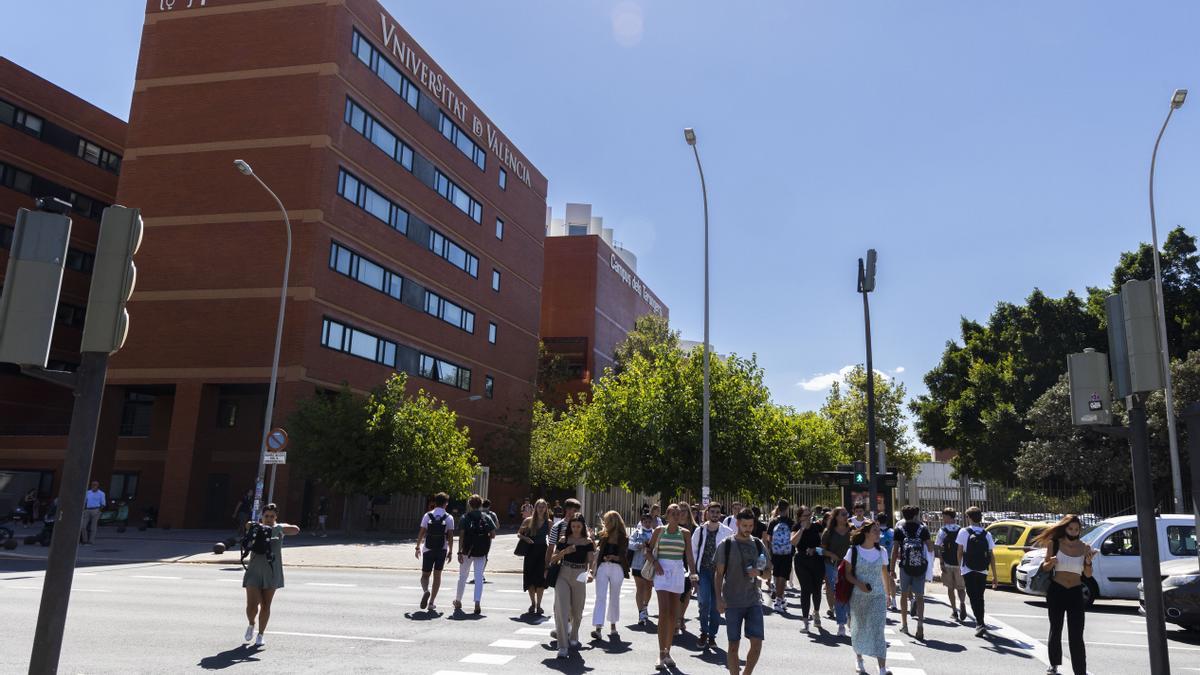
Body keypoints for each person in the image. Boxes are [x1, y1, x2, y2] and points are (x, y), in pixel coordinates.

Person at [1033, 515, 1096, 675]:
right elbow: (1046, 568)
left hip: (1075, 592)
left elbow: (1088, 575)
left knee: (1076, 634)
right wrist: (1051, 562)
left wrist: (1088, 562)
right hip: (1057, 591)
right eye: (1070, 528)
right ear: (1064, 528)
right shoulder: (1054, 544)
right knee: (1056, 628)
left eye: (1076, 529)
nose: (1073, 532)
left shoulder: (1085, 547)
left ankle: (1080, 670)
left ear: (1079, 530)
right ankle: (1054, 664)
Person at [715, 508, 770, 675]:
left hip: (753, 600)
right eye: (744, 525)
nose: (747, 529)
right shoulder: (727, 544)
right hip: (732, 601)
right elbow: (718, 575)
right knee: (733, 645)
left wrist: (758, 573)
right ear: (737, 524)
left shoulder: (759, 544)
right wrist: (719, 599)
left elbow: (768, 573)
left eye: (750, 525)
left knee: (757, 643)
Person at [644, 503, 698, 670]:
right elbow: (647, 550)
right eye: (673, 513)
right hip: (661, 571)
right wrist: (655, 562)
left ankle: (668, 652)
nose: (677, 515)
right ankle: (661, 653)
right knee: (664, 612)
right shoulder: (659, 531)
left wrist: (694, 574)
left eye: (679, 513)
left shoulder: (686, 533)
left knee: (674, 615)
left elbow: (689, 555)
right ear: (667, 515)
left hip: (677, 572)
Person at [241, 503, 299, 647]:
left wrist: (278, 527)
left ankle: (261, 634)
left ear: (276, 517)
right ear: (262, 516)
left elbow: (296, 530)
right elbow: (247, 524)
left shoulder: (279, 529)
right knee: (251, 605)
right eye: (266, 516)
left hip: (272, 572)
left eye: (272, 516)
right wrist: (256, 525)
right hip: (254, 570)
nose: (268, 518)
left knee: (266, 605)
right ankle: (251, 624)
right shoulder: (256, 527)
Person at [845, 521, 892, 675]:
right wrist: (859, 584)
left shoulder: (882, 551)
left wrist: (888, 594)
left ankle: (882, 668)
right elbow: (847, 574)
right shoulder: (854, 551)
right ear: (866, 533)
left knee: (878, 630)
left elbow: (885, 574)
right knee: (859, 628)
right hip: (859, 596)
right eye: (875, 530)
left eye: (879, 530)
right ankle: (859, 659)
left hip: (878, 596)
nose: (878, 533)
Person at [549, 514, 595, 658]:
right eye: (573, 526)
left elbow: (591, 561)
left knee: (577, 610)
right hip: (563, 573)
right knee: (561, 609)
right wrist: (564, 552)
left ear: (583, 527)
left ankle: (574, 634)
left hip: (580, 574)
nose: (575, 529)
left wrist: (591, 573)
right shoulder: (564, 539)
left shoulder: (587, 542)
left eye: (578, 526)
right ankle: (562, 645)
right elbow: (553, 559)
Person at [692, 501, 734, 648]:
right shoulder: (700, 531)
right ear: (707, 513)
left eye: (717, 512)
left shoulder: (728, 532)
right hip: (703, 571)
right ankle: (703, 632)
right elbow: (693, 552)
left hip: (719, 573)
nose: (715, 514)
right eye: (712, 512)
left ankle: (712, 636)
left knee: (716, 605)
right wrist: (693, 574)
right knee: (704, 603)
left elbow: (731, 554)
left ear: (720, 514)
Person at [891, 505, 932, 641]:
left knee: (903, 594)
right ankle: (920, 623)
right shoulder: (923, 529)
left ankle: (905, 625)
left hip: (904, 566)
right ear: (915, 515)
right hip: (919, 566)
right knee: (920, 596)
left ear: (903, 515)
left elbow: (895, 550)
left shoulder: (899, 529)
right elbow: (930, 547)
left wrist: (892, 569)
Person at [956, 505, 998, 637]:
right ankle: (981, 622)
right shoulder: (987, 534)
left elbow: (959, 552)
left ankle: (980, 623)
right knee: (980, 596)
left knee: (972, 596)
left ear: (969, 518)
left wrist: (959, 567)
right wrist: (995, 575)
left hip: (968, 569)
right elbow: (991, 555)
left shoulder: (964, 531)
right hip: (982, 569)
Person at [591, 510, 630, 639]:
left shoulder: (623, 537)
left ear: (613, 522)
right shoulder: (603, 535)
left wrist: (615, 557)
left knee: (614, 597)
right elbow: (597, 552)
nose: (604, 523)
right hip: (603, 567)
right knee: (600, 597)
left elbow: (624, 557)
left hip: (617, 568)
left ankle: (613, 626)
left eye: (607, 521)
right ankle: (598, 627)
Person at [454, 494, 496, 615]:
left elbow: (461, 536)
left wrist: (459, 551)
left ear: (469, 504)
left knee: (463, 576)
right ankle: (477, 603)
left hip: (467, 551)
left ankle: (458, 600)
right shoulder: (486, 517)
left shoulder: (465, 517)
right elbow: (493, 534)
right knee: (478, 577)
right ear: (481, 504)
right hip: (481, 552)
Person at [547, 498, 582, 641]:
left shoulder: (581, 526)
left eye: (576, 510)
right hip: (561, 566)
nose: (573, 513)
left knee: (576, 603)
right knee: (560, 601)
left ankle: (572, 629)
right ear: (566, 510)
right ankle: (562, 628)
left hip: (577, 568)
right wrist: (547, 565)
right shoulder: (558, 526)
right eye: (571, 510)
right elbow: (551, 547)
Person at [415, 492, 454, 612]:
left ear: (435, 502)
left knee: (425, 575)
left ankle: (426, 591)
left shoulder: (427, 515)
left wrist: (417, 547)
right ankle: (431, 602)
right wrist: (450, 551)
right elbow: (450, 536)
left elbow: (422, 532)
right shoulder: (449, 517)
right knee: (437, 576)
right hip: (441, 549)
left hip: (428, 548)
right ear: (446, 504)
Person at [792, 504, 824, 633]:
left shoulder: (817, 526)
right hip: (802, 561)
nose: (808, 517)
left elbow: (824, 544)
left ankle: (816, 612)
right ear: (799, 517)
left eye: (809, 515)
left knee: (817, 589)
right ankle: (805, 621)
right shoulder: (796, 527)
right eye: (805, 516)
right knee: (806, 589)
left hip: (817, 560)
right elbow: (793, 542)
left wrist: (815, 549)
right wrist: (802, 530)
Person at [820, 506, 852, 636]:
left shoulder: (852, 530)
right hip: (833, 566)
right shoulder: (829, 532)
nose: (846, 516)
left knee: (850, 594)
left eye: (846, 514)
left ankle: (850, 618)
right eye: (843, 514)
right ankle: (841, 624)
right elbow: (821, 550)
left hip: (850, 566)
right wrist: (831, 554)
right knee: (839, 594)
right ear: (836, 517)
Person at [518, 498, 550, 615]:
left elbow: (552, 540)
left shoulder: (549, 522)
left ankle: (539, 605)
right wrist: (525, 538)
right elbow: (519, 534)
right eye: (539, 506)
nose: (541, 509)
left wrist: (552, 555)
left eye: (543, 506)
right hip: (530, 551)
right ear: (535, 508)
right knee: (530, 579)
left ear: (546, 508)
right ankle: (532, 603)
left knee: (541, 580)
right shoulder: (528, 520)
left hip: (542, 551)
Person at [934, 507, 967, 623]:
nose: (942, 518)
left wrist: (941, 562)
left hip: (947, 563)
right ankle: (962, 603)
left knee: (950, 588)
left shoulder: (943, 530)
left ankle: (954, 610)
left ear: (948, 517)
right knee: (961, 587)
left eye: (943, 516)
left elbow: (938, 546)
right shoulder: (961, 530)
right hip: (959, 563)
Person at [765, 499, 795, 614]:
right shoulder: (790, 522)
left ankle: (780, 598)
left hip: (775, 552)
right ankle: (778, 600)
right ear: (787, 509)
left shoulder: (773, 522)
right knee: (783, 576)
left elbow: (769, 538)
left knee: (777, 575)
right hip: (787, 553)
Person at [629, 507, 658, 626]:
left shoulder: (655, 533)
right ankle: (641, 612)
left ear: (652, 522)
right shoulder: (636, 532)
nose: (647, 523)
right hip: (637, 564)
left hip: (650, 564)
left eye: (649, 521)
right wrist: (639, 545)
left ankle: (645, 606)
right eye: (645, 521)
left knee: (649, 587)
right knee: (639, 588)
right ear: (641, 522)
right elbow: (630, 544)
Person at [676, 502, 700, 633]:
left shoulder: (695, 529)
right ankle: (676, 618)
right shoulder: (672, 527)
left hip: (689, 562)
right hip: (675, 561)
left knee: (686, 592)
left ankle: (680, 617)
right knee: (676, 592)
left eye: (685, 510)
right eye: (680, 510)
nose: (682, 513)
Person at [875, 512, 897, 611]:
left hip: (877, 558)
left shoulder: (875, 531)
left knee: (879, 579)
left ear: (877, 521)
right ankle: (894, 601)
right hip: (889, 558)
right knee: (891, 579)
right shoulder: (892, 532)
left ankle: (882, 600)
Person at [80, 480, 106, 545]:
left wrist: (99, 511)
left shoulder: (101, 493)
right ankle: (85, 540)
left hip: (96, 510)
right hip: (87, 510)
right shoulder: (88, 492)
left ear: (98, 486)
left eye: (95, 485)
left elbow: (103, 503)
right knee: (83, 526)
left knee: (93, 527)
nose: (94, 486)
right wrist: (84, 509)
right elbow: (84, 501)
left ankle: (91, 541)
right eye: (92, 484)